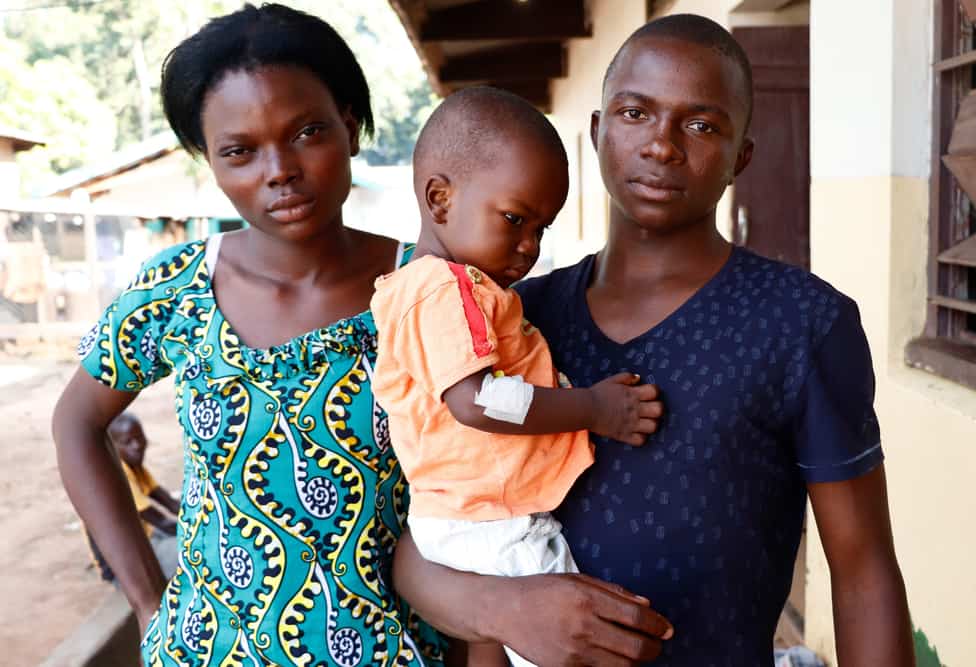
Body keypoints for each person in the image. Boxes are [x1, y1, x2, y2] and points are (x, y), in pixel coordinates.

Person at [393, 14, 914, 667]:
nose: (662, 146)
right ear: (597, 131)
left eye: (702, 125)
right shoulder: (513, 320)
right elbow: (417, 545)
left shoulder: (802, 322)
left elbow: (863, 569)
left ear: (741, 157)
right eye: (635, 113)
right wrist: (506, 610)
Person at [52, 4, 447, 665]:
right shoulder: (177, 287)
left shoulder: (430, 288)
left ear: (350, 127)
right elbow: (75, 422)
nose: (279, 169)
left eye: (307, 132)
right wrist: (148, 601)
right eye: (240, 151)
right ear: (209, 161)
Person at [369, 87, 664, 667]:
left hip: (471, 515)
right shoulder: (442, 290)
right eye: (514, 219)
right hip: (489, 520)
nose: (528, 246)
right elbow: (479, 401)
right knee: (572, 643)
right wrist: (595, 409)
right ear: (440, 198)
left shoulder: (449, 289)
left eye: (542, 229)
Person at [86, 413, 180, 582]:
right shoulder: (116, 473)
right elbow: (162, 522)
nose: (137, 446)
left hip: (144, 539)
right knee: (197, 551)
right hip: (123, 565)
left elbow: (170, 503)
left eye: (140, 438)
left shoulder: (134, 466)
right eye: (127, 442)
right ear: (112, 447)